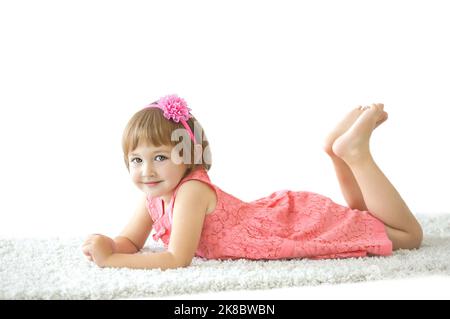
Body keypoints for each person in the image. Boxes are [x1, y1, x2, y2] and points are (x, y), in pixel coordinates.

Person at [82, 95, 423, 270]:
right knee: (363, 220)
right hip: (278, 216)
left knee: (408, 237)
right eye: (136, 161)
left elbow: (176, 259)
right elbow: (130, 239)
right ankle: (337, 153)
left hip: (288, 225)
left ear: (187, 155)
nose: (146, 171)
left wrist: (111, 262)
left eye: (159, 157)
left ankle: (355, 154)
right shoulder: (155, 196)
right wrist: (109, 244)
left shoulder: (190, 191)